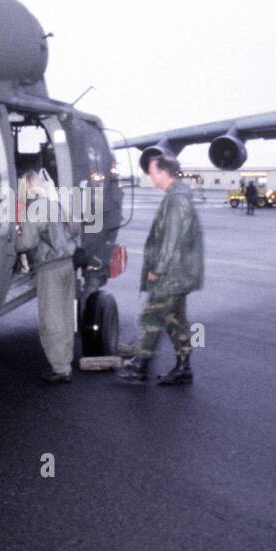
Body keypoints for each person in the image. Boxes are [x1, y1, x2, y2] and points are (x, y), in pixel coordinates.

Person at [118, 155, 204, 385]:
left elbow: (171, 239)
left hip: (171, 275)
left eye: (152, 171)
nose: (150, 176)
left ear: (163, 173)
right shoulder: (177, 196)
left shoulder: (176, 200)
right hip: (179, 274)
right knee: (175, 320)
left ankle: (140, 366)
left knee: (150, 316)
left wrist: (158, 268)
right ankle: (183, 367)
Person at [15, 169, 79, 383]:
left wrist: (13, 238)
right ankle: (66, 360)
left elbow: (26, 243)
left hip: (49, 267)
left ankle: (60, 369)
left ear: (28, 187)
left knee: (51, 319)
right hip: (68, 264)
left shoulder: (36, 208)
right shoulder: (56, 204)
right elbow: (73, 231)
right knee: (65, 315)